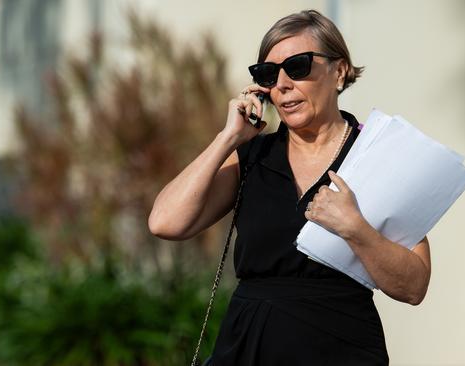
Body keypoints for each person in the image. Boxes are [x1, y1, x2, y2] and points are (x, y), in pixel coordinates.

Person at [148, 9, 431, 365]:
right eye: (268, 74)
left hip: (341, 350)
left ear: (339, 71)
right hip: (247, 350)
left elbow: (414, 285)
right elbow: (164, 222)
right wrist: (228, 138)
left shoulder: (374, 157)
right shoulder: (253, 157)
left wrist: (355, 229)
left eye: (297, 67)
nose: (282, 84)